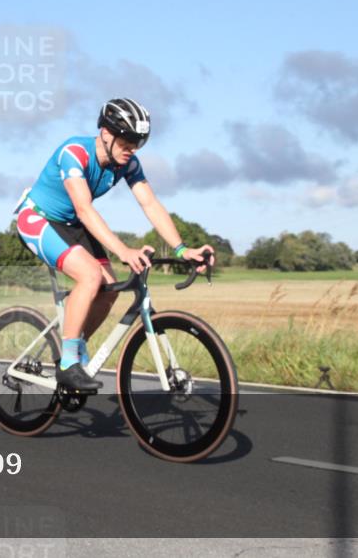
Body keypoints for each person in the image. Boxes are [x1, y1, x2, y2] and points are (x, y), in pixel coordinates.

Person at [15, 98, 214, 392]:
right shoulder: (75, 153)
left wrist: (182, 249)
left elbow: (149, 203)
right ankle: (68, 364)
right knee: (90, 276)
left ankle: (74, 345)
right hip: (38, 219)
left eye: (139, 142)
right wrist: (123, 251)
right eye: (128, 140)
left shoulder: (127, 164)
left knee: (109, 291)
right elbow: (84, 209)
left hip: (72, 225)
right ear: (106, 133)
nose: (133, 148)